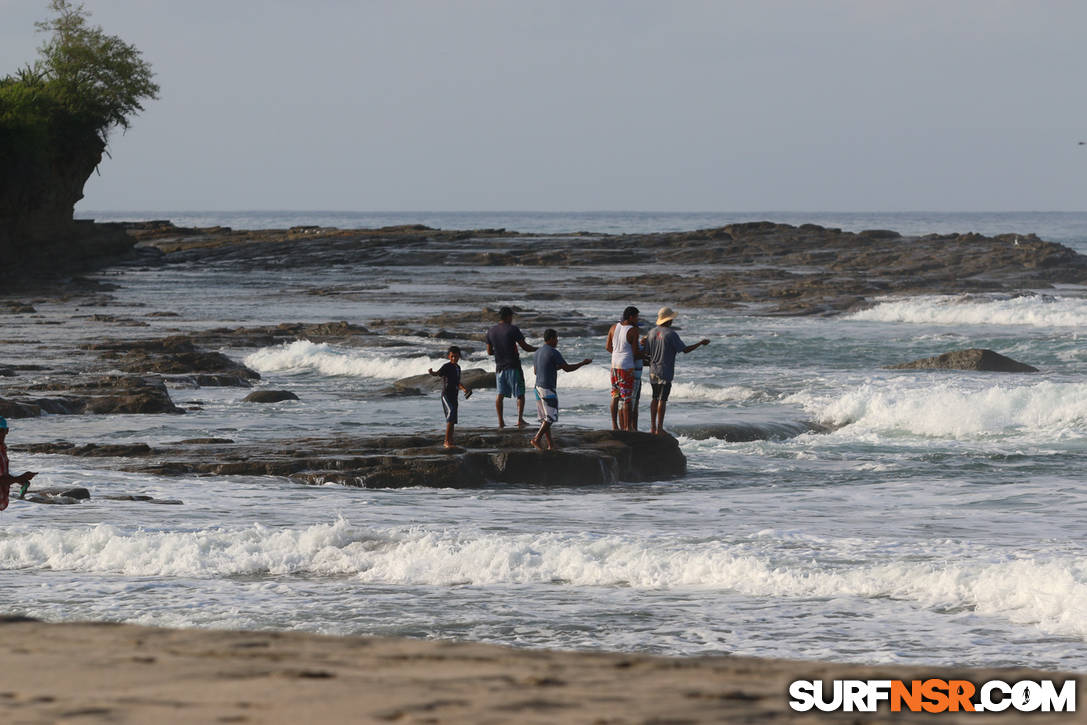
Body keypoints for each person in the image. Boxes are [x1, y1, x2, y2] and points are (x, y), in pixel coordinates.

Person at [646, 306, 710, 435]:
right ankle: (659, 428)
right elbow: (685, 350)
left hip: (653, 370)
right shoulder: (671, 334)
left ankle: (652, 427)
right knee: (662, 399)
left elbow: (647, 352)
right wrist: (700, 343)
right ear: (669, 320)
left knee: (654, 398)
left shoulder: (651, 332)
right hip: (665, 371)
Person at [530, 329, 592, 451]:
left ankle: (550, 444)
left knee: (545, 418)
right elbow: (568, 368)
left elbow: (536, 371)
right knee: (550, 417)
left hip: (537, 387)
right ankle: (536, 439)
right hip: (547, 388)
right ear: (552, 338)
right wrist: (582, 363)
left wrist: (553, 368)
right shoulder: (554, 352)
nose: (557, 341)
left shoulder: (538, 352)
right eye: (556, 338)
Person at [485, 306, 537, 428]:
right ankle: (519, 420)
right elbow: (525, 347)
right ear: (508, 317)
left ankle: (501, 422)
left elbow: (489, 352)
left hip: (499, 367)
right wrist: (540, 349)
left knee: (500, 395)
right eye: (511, 316)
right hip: (513, 365)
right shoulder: (513, 329)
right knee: (520, 394)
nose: (512, 318)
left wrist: (500, 350)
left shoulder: (491, 331)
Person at [605, 306, 642, 431]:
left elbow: (608, 347)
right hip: (626, 367)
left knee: (615, 395)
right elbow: (636, 353)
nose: (638, 320)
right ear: (631, 317)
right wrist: (648, 354)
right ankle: (627, 427)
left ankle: (615, 425)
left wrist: (617, 353)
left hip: (614, 365)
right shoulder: (633, 331)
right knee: (627, 398)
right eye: (637, 317)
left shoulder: (613, 327)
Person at [428, 346, 473, 448]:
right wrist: (432, 373)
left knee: (453, 420)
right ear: (449, 356)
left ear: (459, 357)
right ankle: (446, 442)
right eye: (452, 356)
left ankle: (450, 441)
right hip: (446, 395)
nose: (454, 359)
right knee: (451, 414)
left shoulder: (458, 368)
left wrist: (464, 389)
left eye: (456, 357)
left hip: (454, 396)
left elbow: (457, 382)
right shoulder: (446, 366)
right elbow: (438, 373)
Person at [0, 417, 37, 511]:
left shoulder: (2, 449)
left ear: (6, 431)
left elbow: (2, 476)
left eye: (0, 430)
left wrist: (18, 480)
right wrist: (18, 478)